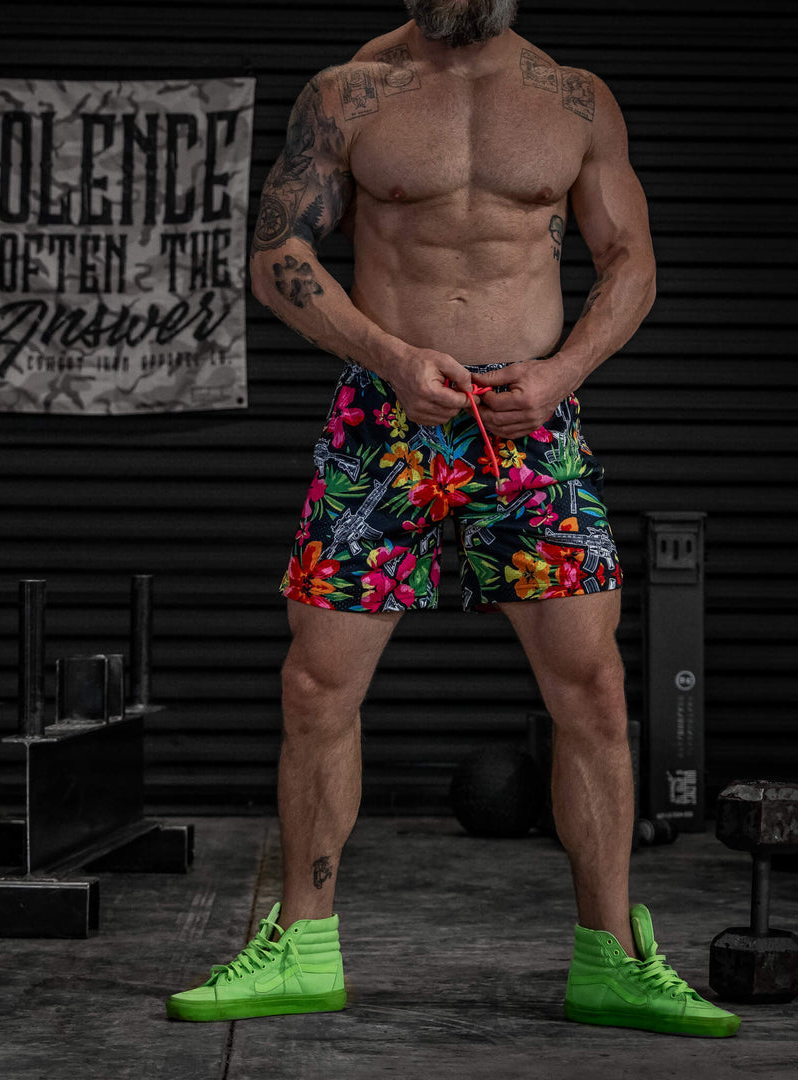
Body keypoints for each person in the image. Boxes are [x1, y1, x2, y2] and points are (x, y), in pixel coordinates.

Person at [167, 0, 740, 1037]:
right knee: (316, 684)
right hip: (385, 416)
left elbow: (632, 262)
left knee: (593, 689)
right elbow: (277, 254)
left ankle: (611, 961)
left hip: (531, 422)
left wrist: (561, 374)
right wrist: (388, 356)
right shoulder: (349, 94)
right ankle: (302, 949)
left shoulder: (576, 101)